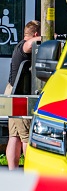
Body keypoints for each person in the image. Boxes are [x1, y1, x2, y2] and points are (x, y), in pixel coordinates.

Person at [5, 21, 41, 169]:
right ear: (36, 34)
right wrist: (48, 37)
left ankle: (12, 172)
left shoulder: (18, 46)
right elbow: (30, 44)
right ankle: (29, 172)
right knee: (26, 137)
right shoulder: (24, 46)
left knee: (15, 136)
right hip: (19, 93)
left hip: (12, 91)